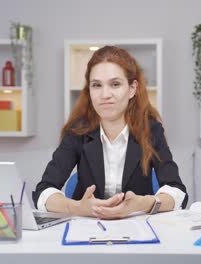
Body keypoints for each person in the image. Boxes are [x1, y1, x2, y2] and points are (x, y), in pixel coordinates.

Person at [33, 46, 188, 219]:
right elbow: (44, 191)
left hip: (137, 229)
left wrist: (142, 204)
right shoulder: (77, 131)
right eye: (97, 85)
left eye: (115, 84)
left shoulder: (151, 130)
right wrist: (77, 207)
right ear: (89, 91)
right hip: (85, 229)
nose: (105, 94)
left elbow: (177, 192)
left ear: (132, 89)